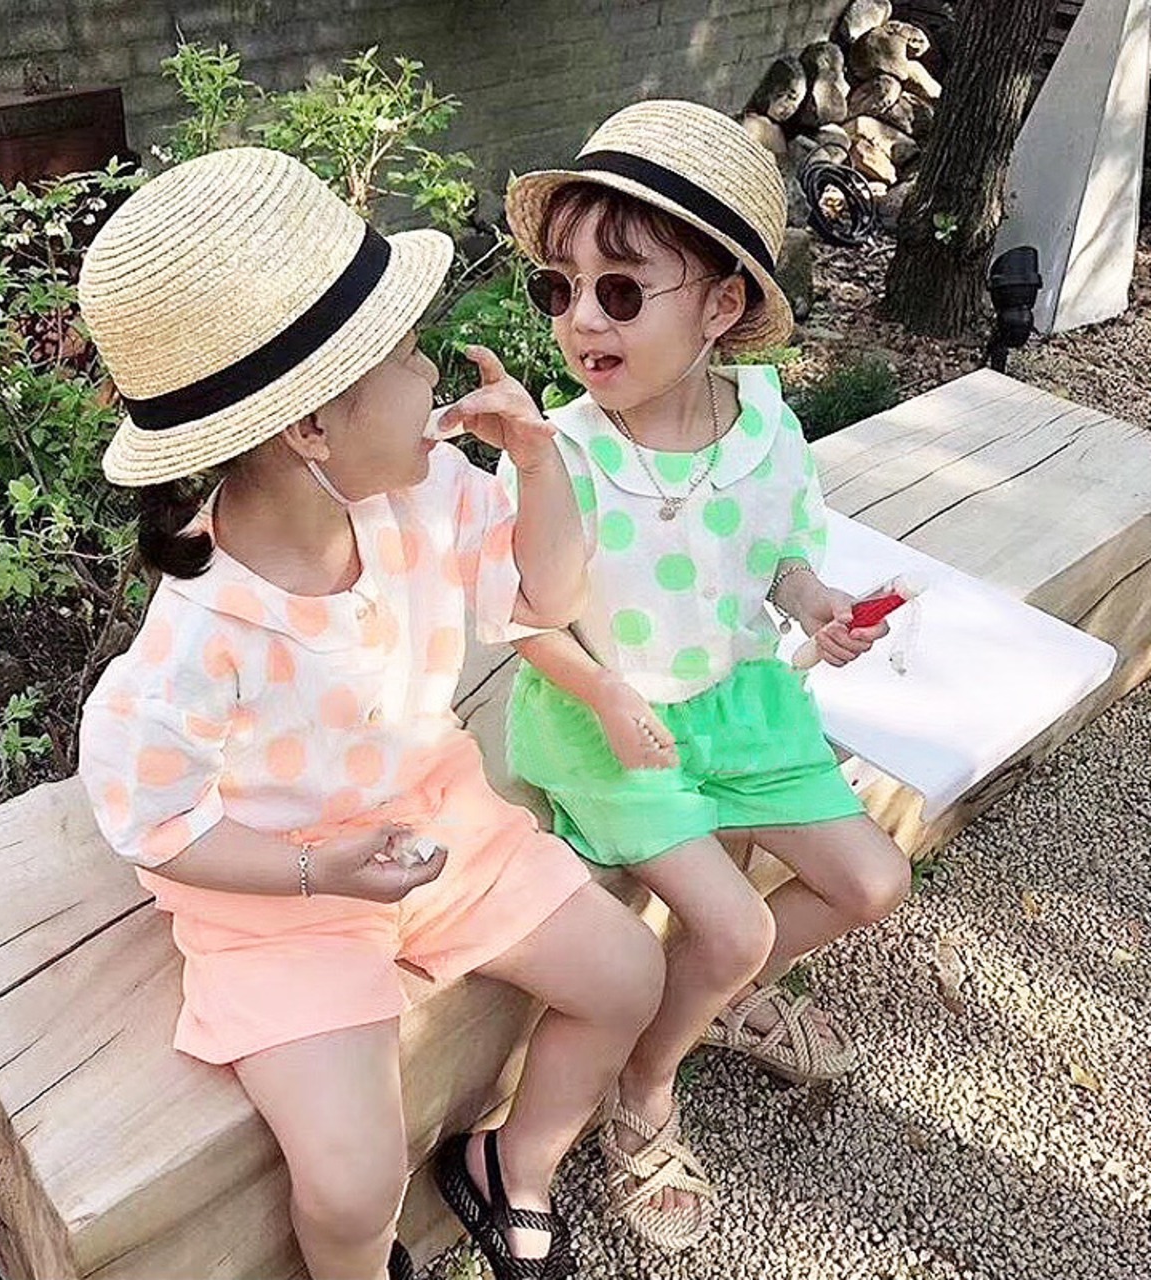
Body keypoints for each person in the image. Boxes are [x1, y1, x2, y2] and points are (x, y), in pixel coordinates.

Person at [76, 147, 665, 1280]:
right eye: (401, 355)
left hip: (435, 822)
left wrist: (538, 463)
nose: (430, 367)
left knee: (627, 975)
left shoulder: (423, 492)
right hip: (279, 893)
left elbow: (548, 598)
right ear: (311, 430)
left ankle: (513, 1165)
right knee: (352, 1181)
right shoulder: (200, 634)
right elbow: (161, 827)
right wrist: (318, 872)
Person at [500, 100, 913, 1250]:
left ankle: (706, 996)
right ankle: (644, 1087)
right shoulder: (562, 451)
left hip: (737, 704)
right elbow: (525, 621)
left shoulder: (765, 424)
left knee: (872, 879)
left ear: (720, 305)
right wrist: (606, 693)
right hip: (605, 720)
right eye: (557, 288)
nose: (581, 318)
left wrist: (816, 605)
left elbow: (779, 554)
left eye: (620, 290)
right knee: (730, 928)